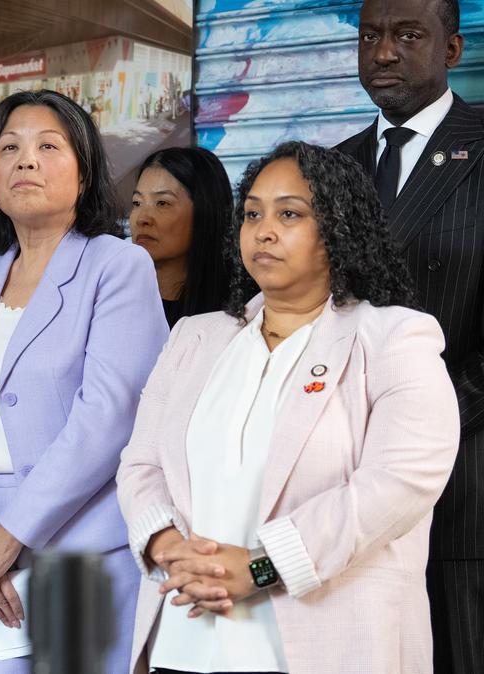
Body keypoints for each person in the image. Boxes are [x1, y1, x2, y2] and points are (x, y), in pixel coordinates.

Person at [116, 141, 459, 674]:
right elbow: (140, 465)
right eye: (252, 213)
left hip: (324, 645)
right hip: (185, 639)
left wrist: (259, 567)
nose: (264, 230)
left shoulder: (392, 338)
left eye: (290, 214)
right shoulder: (195, 337)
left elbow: (401, 481)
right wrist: (165, 547)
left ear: (338, 230)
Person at [0, 89, 166, 674]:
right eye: (9, 148)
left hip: (78, 541)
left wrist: (13, 534)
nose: (25, 160)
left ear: (83, 177)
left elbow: (107, 418)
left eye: (48, 146)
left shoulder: (117, 266)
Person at [334, 2, 483, 669]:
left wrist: (423, 422)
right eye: (371, 35)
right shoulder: (328, 170)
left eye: (407, 35)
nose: (384, 51)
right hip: (343, 484)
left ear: (451, 49)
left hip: (463, 482)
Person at [130, 147, 233, 327]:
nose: (142, 219)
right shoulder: (115, 296)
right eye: (137, 203)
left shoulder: (239, 310)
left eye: (162, 203)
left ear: (205, 211)